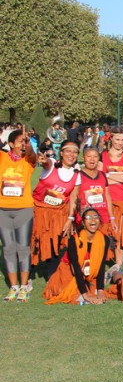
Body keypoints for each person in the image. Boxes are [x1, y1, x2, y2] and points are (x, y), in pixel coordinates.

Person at [31, 139, 81, 279]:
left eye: (75, 152)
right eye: (68, 151)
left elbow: (73, 198)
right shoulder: (52, 164)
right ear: (62, 153)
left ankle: (51, 276)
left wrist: (70, 218)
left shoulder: (76, 174)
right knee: (35, 241)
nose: (71, 154)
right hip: (39, 211)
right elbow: (46, 162)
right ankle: (28, 275)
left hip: (59, 214)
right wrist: (44, 159)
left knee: (56, 243)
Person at [43, 207, 113, 305]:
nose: (93, 220)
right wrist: (85, 295)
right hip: (69, 273)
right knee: (73, 295)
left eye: (95, 217)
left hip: (89, 274)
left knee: (98, 294)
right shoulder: (74, 240)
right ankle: (82, 293)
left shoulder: (104, 239)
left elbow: (101, 265)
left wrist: (100, 290)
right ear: (83, 223)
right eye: (89, 217)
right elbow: (75, 268)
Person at [0, 129, 37, 301]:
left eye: (25, 141)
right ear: (11, 144)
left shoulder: (28, 160)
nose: (23, 144)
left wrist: (28, 143)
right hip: (3, 210)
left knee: (22, 248)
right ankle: (13, 287)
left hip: (23, 209)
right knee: (8, 248)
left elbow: (33, 156)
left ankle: (24, 286)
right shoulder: (2, 158)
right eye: (20, 141)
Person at [100, 127, 123, 270]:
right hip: (107, 200)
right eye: (117, 139)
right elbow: (98, 178)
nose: (120, 143)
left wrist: (107, 177)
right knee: (110, 234)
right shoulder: (102, 156)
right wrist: (118, 178)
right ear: (111, 139)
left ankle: (120, 266)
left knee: (122, 235)